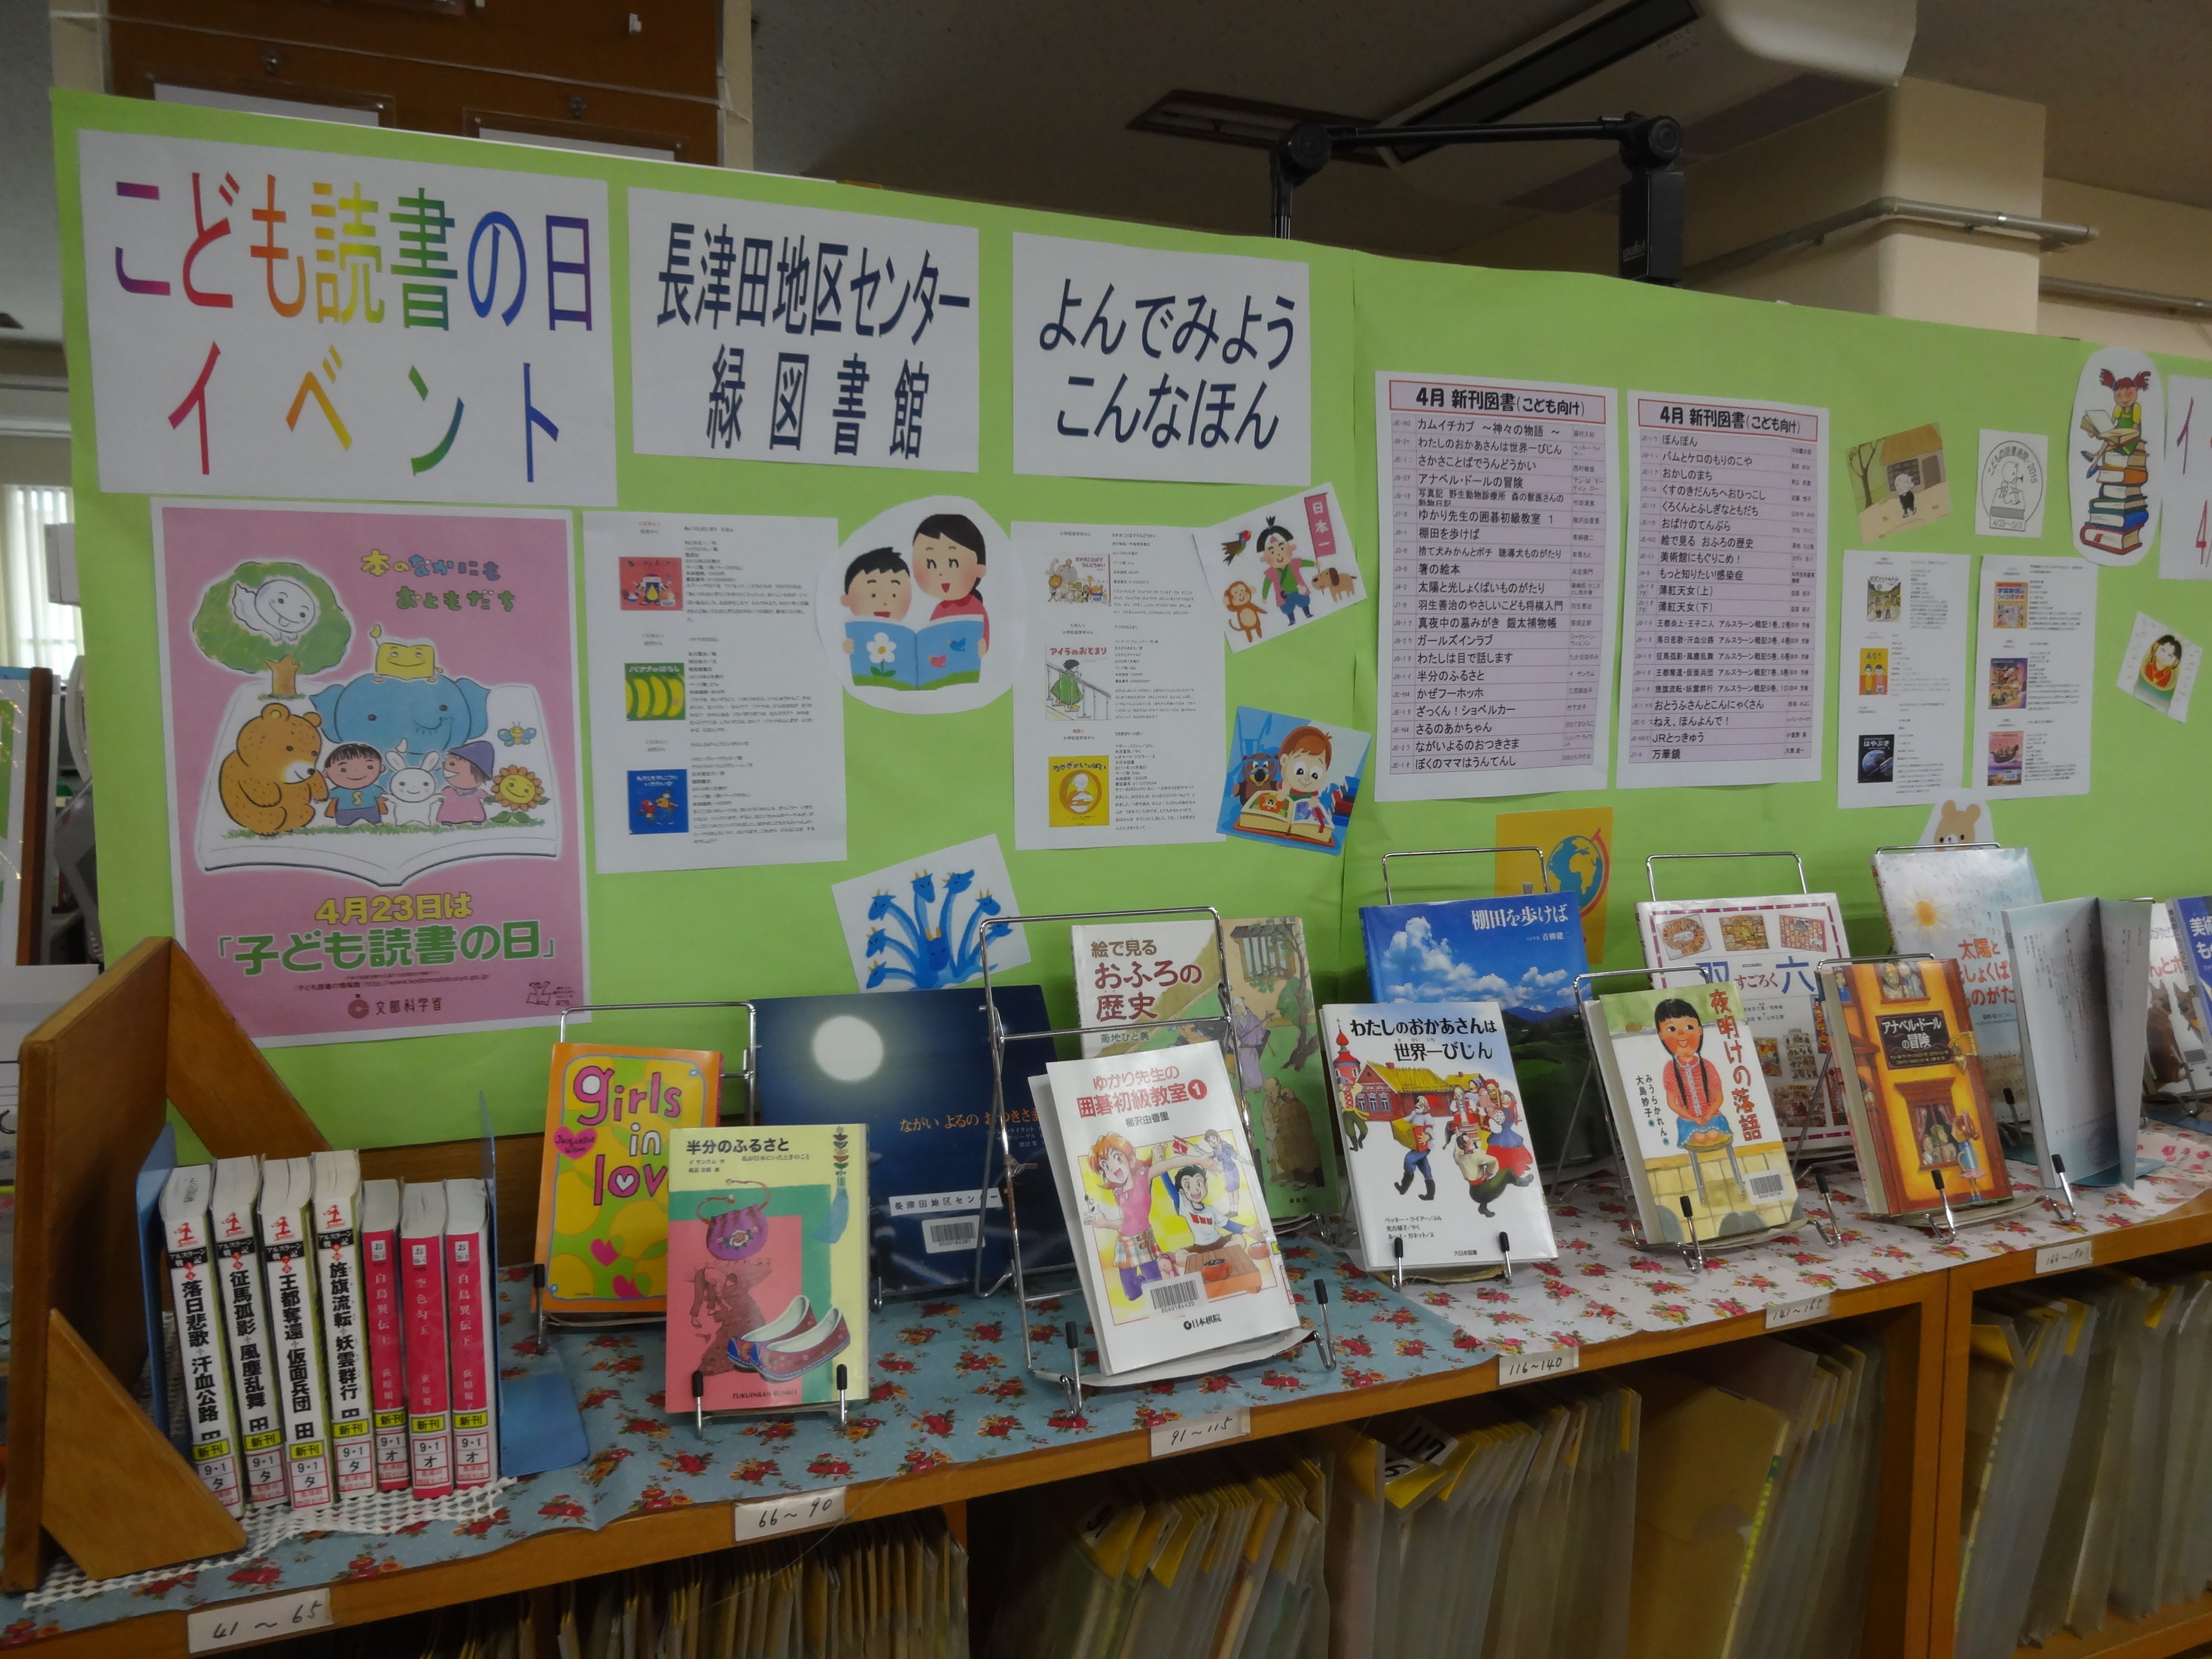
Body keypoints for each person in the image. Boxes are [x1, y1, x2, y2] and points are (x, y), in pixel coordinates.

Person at [1653, 997, 1730, 1147]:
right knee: (1699, 1138)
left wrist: (1707, 1116)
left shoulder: (1707, 1065)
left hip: (1713, 1116)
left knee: (1713, 1135)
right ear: (1661, 1035)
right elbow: (1672, 1103)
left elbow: (1719, 1097)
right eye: (1671, 1029)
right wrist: (1694, 1118)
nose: (1681, 1034)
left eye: (1689, 1027)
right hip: (1687, 1120)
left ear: (1700, 1030)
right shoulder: (1670, 1068)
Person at [912, 512, 992, 651]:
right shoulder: (940, 609)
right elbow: (934, 634)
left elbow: (983, 630)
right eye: (931, 564)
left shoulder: (975, 606)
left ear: (979, 569)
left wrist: (983, 644)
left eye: (952, 562)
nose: (941, 572)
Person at [838, 547, 913, 655]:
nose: (885, 603)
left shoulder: (903, 634)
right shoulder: (855, 631)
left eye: (894, 595)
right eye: (873, 595)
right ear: (846, 600)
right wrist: (846, 647)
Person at [320, 743, 387, 826]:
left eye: (369, 767)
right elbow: (325, 796)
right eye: (343, 769)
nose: (356, 773)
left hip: (370, 809)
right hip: (345, 811)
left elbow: (383, 796)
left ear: (381, 768)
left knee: (376, 821)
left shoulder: (373, 789)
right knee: (343, 824)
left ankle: (376, 823)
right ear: (326, 773)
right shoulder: (338, 791)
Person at [438, 741, 495, 825]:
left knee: (475, 815)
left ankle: (475, 822)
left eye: (453, 763)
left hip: (474, 814)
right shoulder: (449, 791)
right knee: (448, 814)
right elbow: (440, 796)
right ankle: (447, 821)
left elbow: (488, 798)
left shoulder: (477, 793)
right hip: (450, 815)